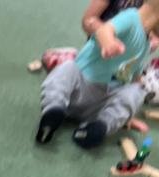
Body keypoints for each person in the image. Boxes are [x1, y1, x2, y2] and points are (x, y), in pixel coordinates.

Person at [36, 0, 159, 146]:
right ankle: (53, 110)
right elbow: (104, 30)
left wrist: (129, 111)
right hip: (78, 89)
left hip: (100, 105)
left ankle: (99, 127)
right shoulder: (131, 18)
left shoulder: (145, 46)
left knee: (138, 90)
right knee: (68, 69)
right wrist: (108, 42)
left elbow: (135, 76)